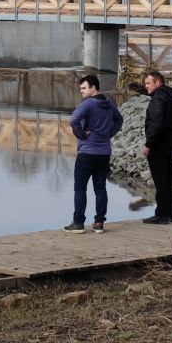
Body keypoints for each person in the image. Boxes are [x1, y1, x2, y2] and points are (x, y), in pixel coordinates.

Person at [63, 74, 124, 233]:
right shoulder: (109, 103)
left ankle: (78, 223)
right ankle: (99, 223)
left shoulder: (88, 104)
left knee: (80, 188)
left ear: (93, 88)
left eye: (84, 88)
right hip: (104, 153)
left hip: (87, 153)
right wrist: (109, 133)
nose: (81, 91)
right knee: (100, 188)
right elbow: (119, 120)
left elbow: (73, 120)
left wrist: (81, 135)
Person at [141, 69, 172, 224]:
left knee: (160, 181)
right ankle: (170, 213)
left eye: (148, 83)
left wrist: (148, 143)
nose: (146, 87)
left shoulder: (158, 98)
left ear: (158, 82)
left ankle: (161, 215)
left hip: (158, 144)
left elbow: (157, 123)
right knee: (171, 179)